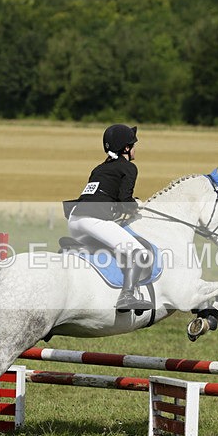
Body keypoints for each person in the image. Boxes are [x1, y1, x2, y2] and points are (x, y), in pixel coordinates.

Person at [64, 124, 152, 312]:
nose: (135, 148)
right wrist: (137, 204)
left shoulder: (99, 168)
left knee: (111, 248)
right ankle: (126, 296)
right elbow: (124, 200)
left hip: (74, 220)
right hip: (93, 220)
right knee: (140, 254)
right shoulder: (129, 167)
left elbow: (102, 197)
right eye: (133, 145)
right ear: (126, 149)